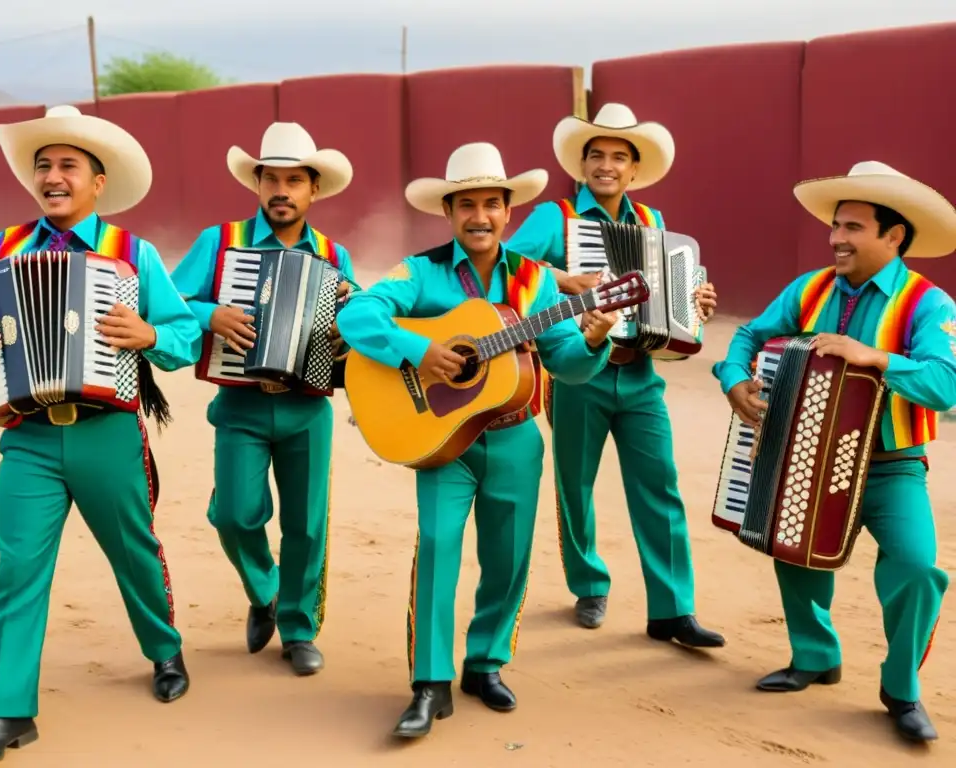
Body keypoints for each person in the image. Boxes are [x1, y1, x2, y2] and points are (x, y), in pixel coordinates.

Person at [0, 105, 200, 762]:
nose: (53, 177)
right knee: (19, 567)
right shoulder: (1, 249)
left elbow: (187, 334)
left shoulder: (133, 255)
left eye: (67, 166)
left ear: (96, 181)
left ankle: (164, 650)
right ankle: (8, 712)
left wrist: (151, 336)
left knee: (134, 552)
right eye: (44, 166)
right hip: (26, 436)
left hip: (108, 433)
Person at [336, 142, 620, 738]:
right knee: (438, 549)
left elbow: (564, 361)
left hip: (516, 437)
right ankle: (428, 684)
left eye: (492, 203)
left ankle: (486, 664)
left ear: (508, 211)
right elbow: (357, 317)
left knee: (508, 558)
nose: (480, 216)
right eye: (467, 204)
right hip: (445, 440)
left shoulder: (539, 281)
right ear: (449, 211)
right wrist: (423, 350)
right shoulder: (420, 272)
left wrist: (593, 338)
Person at [712, 160, 956, 743]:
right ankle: (816, 655)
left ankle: (901, 688)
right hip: (806, 454)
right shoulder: (809, 288)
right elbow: (748, 335)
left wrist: (878, 359)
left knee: (917, 567)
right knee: (790, 551)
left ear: (894, 236)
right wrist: (734, 378)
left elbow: (945, 382)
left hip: (893, 466)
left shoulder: (930, 304)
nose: (836, 238)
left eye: (853, 228)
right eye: (835, 226)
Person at [506, 103, 724, 645]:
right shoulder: (555, 219)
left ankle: (672, 611)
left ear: (634, 169)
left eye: (618, 157)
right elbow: (506, 268)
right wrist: (563, 277)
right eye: (596, 155)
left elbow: (673, 303)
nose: (606, 165)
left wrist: (696, 301)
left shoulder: (652, 224)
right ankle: (589, 585)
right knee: (574, 486)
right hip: (580, 372)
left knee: (660, 487)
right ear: (582, 165)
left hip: (642, 375)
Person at [171, 121, 360, 676]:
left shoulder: (334, 255)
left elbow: (365, 322)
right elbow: (170, 303)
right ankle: (266, 590)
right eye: (271, 178)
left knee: (306, 524)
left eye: (294, 180)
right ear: (258, 184)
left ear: (313, 189)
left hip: (307, 407)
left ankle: (299, 630)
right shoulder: (219, 242)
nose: (282, 190)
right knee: (234, 514)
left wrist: (352, 310)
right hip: (241, 405)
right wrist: (211, 313)